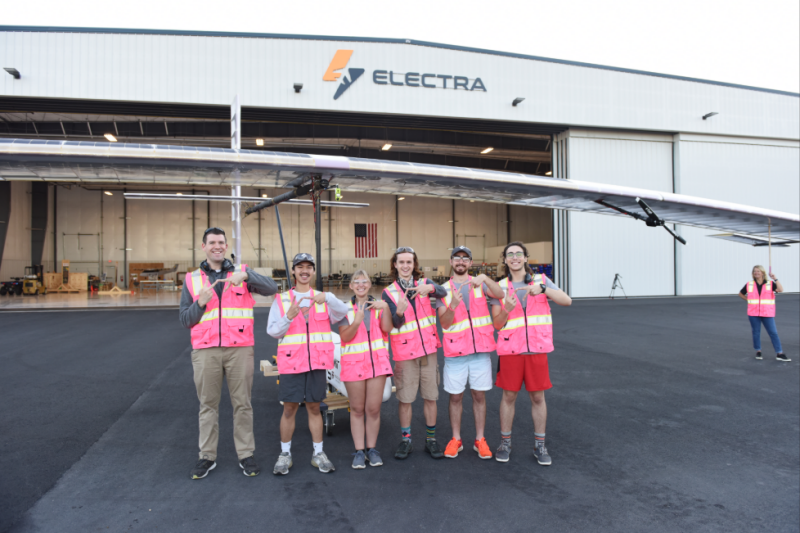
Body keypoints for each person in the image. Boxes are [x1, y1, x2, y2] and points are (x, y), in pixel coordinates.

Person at [179, 227, 279, 480]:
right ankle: (207, 457)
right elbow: (185, 320)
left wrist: (246, 276)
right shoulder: (192, 280)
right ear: (203, 246)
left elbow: (272, 288)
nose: (217, 246)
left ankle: (246, 454)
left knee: (242, 404)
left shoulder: (240, 272)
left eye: (221, 242)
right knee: (207, 405)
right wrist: (199, 303)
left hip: (239, 349)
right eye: (212, 242)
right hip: (205, 351)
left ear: (226, 246)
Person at [266, 253, 349, 475]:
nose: (304, 271)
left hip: (316, 364)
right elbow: (273, 331)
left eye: (308, 267)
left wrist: (328, 297)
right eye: (299, 267)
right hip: (292, 363)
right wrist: (288, 317)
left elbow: (344, 311)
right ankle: (285, 454)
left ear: (313, 272)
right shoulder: (282, 300)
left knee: (314, 408)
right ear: (293, 271)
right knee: (289, 408)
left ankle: (318, 453)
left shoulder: (323, 299)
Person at [490, 242, 572, 465]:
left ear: (526, 258)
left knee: (538, 397)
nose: (514, 257)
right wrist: (506, 308)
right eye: (510, 254)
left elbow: (567, 301)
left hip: (537, 350)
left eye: (518, 254)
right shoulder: (499, 288)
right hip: (511, 351)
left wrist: (544, 290)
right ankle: (505, 442)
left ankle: (540, 444)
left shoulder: (542, 282)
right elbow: (497, 325)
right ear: (505, 260)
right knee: (508, 396)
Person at [436, 246, 505, 460]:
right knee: (455, 397)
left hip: (480, 351)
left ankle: (480, 439)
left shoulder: (480, 284)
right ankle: (456, 439)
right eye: (457, 258)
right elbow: (445, 324)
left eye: (465, 259)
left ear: (471, 263)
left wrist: (484, 277)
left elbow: (501, 293)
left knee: (479, 395)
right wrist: (453, 305)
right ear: (450, 262)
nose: (461, 262)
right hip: (455, 352)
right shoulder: (443, 290)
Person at [383, 246, 448, 460]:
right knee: (405, 399)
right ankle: (406, 440)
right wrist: (399, 311)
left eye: (409, 262)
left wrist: (429, 289)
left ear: (414, 264)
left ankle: (430, 440)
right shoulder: (389, 292)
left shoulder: (425, 283)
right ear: (395, 264)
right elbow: (393, 323)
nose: (405, 265)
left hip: (428, 350)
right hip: (405, 353)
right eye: (401, 262)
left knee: (431, 397)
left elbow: (443, 291)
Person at [337, 270, 394, 469]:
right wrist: (358, 320)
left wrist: (386, 307)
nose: (361, 285)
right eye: (356, 282)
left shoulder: (378, 307)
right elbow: (345, 337)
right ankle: (359, 451)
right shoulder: (344, 309)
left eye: (365, 281)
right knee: (358, 409)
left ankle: (372, 449)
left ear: (370, 285)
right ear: (351, 286)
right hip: (354, 365)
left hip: (377, 364)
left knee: (373, 409)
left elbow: (387, 329)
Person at [739, 265, 789, 362]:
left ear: (762, 273)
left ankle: (779, 353)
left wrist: (775, 279)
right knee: (756, 332)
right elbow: (740, 293)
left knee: (773, 333)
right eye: (754, 271)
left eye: (758, 271)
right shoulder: (749, 284)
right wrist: (747, 299)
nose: (756, 273)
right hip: (753, 313)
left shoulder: (770, 284)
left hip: (767, 313)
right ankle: (758, 351)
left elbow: (781, 289)